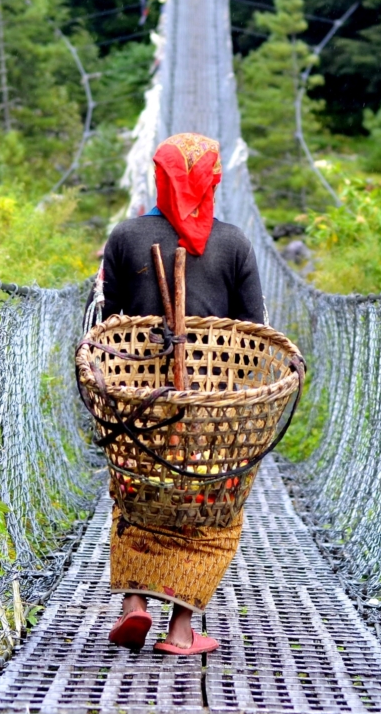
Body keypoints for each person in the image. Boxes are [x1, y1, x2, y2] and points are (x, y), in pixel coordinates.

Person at [98, 132, 264, 655]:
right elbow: (254, 330)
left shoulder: (124, 237)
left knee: (135, 493)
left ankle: (134, 606)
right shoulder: (233, 243)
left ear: (158, 177)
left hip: (139, 409)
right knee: (207, 506)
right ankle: (180, 630)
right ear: (212, 180)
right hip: (210, 413)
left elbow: (109, 326)